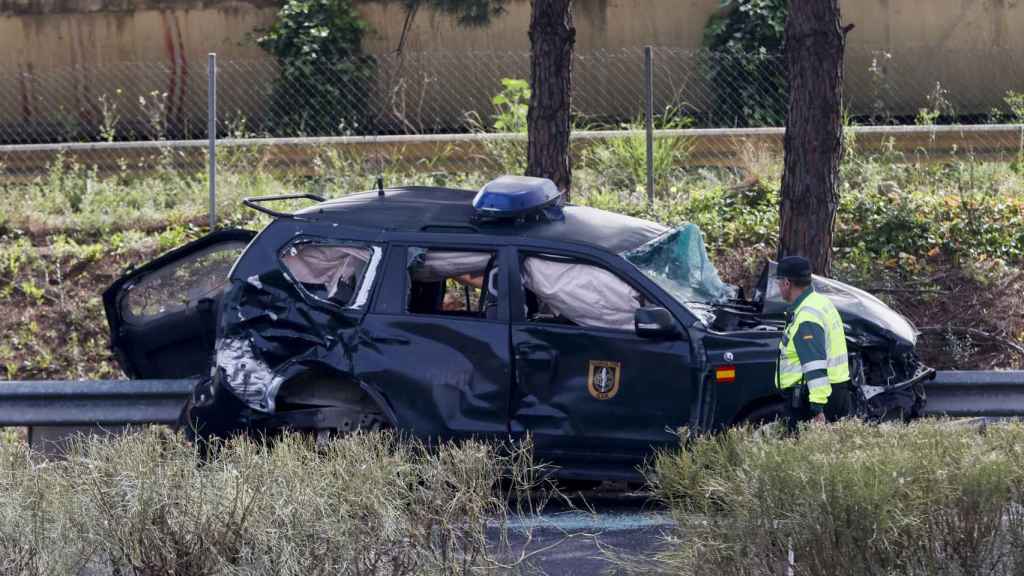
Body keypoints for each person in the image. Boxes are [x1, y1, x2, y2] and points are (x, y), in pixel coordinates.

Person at [774, 256, 851, 432]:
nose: (778, 287)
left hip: (812, 396)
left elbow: (814, 364)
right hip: (833, 390)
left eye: (779, 282)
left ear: (787, 283)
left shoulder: (806, 316)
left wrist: (817, 408)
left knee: (803, 453)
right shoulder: (819, 302)